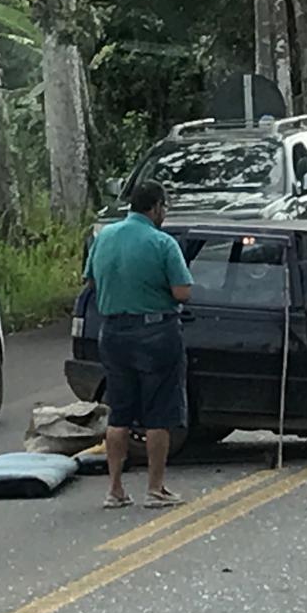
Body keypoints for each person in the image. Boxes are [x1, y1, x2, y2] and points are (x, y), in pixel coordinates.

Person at [84, 180, 193, 509]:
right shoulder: (162, 243)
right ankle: (155, 488)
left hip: (113, 333)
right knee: (158, 414)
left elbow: (90, 281)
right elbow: (182, 292)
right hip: (155, 333)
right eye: (164, 207)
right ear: (156, 206)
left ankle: (115, 489)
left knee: (119, 413)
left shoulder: (103, 237)